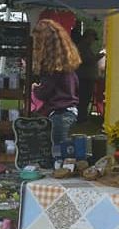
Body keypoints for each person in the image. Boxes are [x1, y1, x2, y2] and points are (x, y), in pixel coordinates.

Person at [31, 19, 81, 147]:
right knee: (65, 152)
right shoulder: (66, 65)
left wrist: (35, 88)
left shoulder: (51, 68)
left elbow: (44, 93)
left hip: (59, 113)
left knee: (57, 152)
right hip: (70, 111)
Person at [74, 28, 102, 124]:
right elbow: (87, 60)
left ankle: (82, 117)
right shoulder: (82, 47)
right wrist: (98, 56)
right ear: (88, 37)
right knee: (83, 98)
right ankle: (81, 118)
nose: (93, 41)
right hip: (84, 78)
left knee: (85, 99)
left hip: (86, 77)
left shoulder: (85, 47)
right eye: (93, 38)